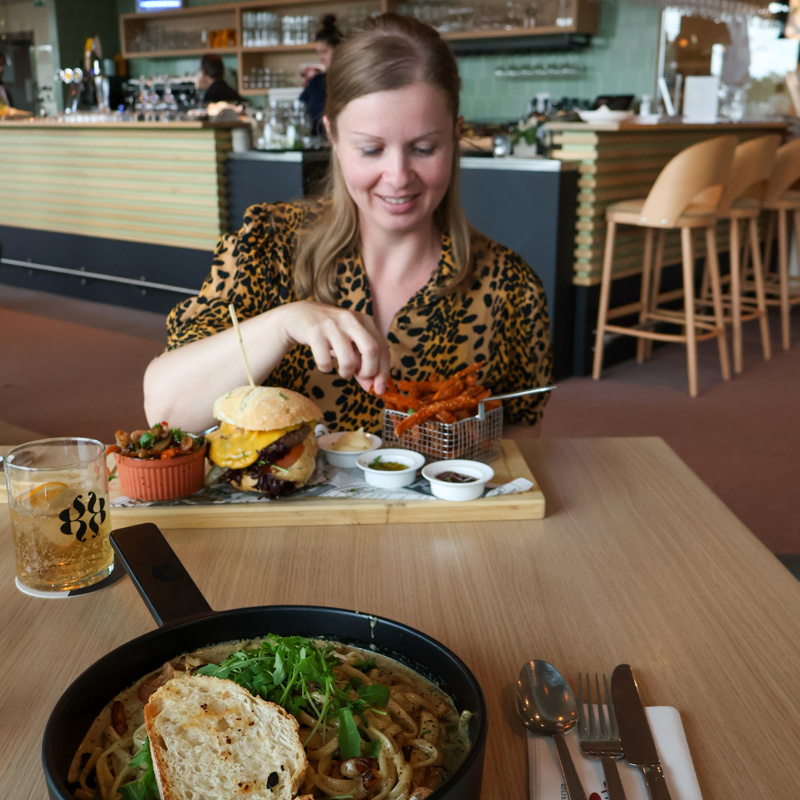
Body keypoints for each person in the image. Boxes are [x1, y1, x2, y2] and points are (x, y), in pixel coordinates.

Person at [144, 13, 552, 434]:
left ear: (455, 136)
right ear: (333, 138)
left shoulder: (510, 288)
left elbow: (519, 445)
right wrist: (282, 323)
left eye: (425, 148)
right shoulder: (271, 245)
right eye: (371, 150)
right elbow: (165, 409)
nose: (398, 175)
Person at [299, 15, 343, 136]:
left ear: (338, 48)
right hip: (317, 144)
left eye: (324, 51)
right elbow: (300, 108)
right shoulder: (316, 81)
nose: (321, 57)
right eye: (318, 53)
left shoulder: (348, 79)